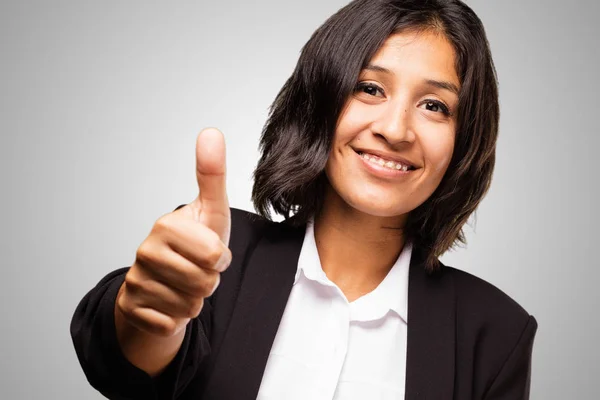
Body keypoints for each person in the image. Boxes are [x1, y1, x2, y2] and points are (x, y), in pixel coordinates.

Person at [70, 0, 537, 399]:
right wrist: (148, 318)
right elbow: (118, 362)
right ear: (321, 98)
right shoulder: (215, 255)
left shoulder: (495, 335)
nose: (395, 130)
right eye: (369, 88)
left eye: (434, 105)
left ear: (465, 139)